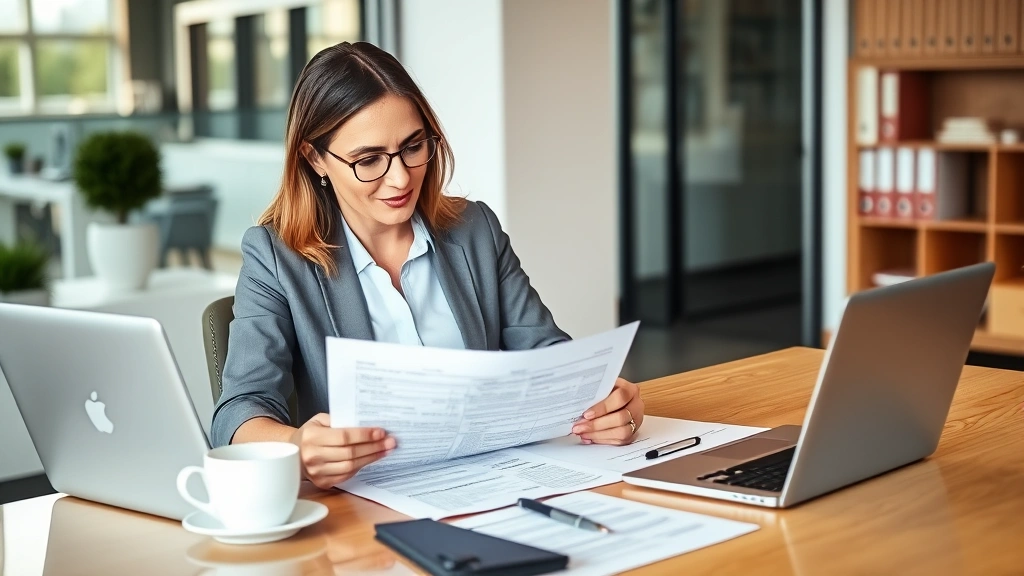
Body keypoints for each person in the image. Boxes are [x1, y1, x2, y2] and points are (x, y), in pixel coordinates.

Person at [211, 41, 645, 490]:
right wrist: (297, 447)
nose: (400, 178)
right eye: (368, 160)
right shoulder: (275, 256)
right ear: (314, 157)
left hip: (498, 484)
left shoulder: (474, 229)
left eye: (413, 146)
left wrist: (604, 402)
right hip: (366, 509)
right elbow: (240, 411)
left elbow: (546, 356)